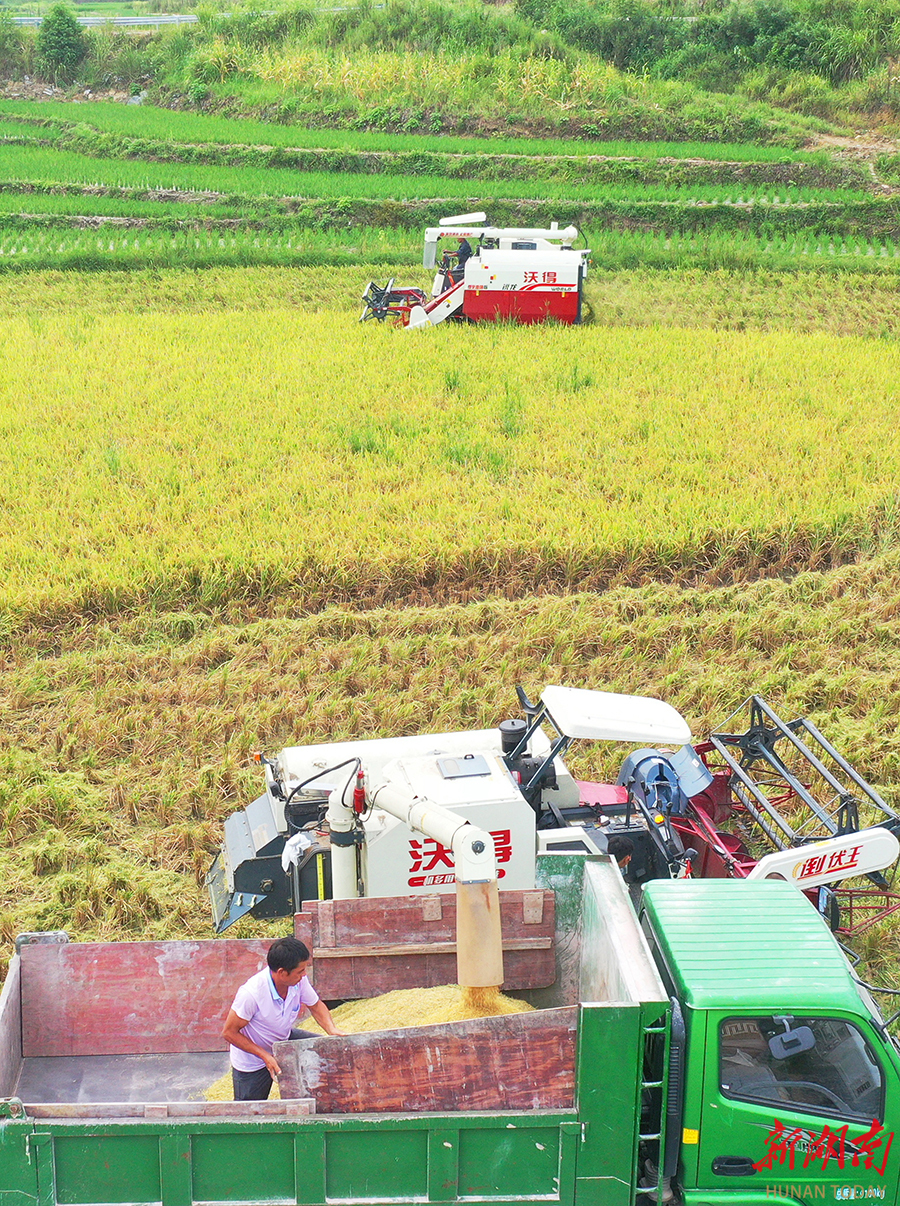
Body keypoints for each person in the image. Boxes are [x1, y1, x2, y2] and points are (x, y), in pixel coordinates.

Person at [222, 936, 345, 1101]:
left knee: (327, 1051)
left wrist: (331, 1028)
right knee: (250, 1114)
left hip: (283, 1038)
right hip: (253, 1059)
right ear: (281, 973)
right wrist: (265, 1056)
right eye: (300, 971)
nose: (304, 975)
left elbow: (315, 1005)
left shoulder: (298, 981)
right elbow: (229, 1033)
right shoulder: (251, 994)